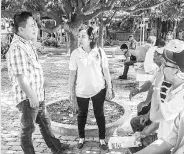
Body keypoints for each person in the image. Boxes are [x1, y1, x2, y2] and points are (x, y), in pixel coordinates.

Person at [6, 12, 69, 154]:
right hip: (29, 98)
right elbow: (21, 78)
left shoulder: (25, 43)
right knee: (27, 129)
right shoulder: (17, 48)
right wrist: (32, 96)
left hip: (37, 95)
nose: (35, 29)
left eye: (35, 25)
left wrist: (34, 28)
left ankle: (56, 148)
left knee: (45, 124)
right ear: (21, 29)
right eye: (31, 26)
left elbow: (33, 40)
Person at [129, 44, 184, 153]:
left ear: (176, 71)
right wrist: (145, 133)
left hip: (168, 146)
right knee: (133, 142)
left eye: (165, 65)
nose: (161, 68)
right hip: (162, 137)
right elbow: (162, 117)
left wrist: (157, 85)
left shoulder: (183, 96)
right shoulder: (173, 88)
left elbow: (155, 116)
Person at [69, 25, 113, 150]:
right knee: (81, 115)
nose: (80, 39)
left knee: (99, 114)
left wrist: (109, 87)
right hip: (81, 91)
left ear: (90, 38)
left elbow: (106, 71)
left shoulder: (99, 51)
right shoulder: (75, 54)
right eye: (79, 36)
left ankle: (102, 139)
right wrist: (71, 92)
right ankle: (81, 138)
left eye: (83, 36)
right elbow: (72, 75)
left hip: (98, 89)